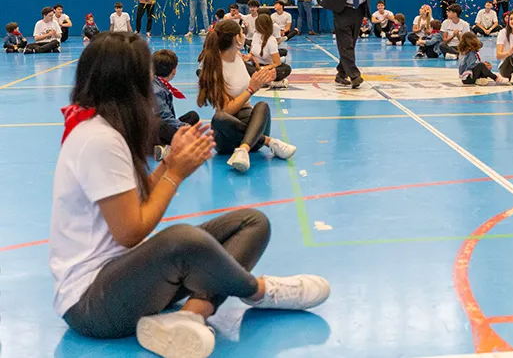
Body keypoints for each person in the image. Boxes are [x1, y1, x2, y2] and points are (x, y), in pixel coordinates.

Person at [49, 32, 330, 358]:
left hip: (128, 280)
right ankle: (260, 291)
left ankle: (190, 316)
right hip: (93, 304)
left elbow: (135, 200)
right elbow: (130, 232)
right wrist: (176, 175)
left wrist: (169, 163)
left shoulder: (107, 130)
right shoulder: (99, 139)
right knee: (183, 239)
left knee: (252, 222)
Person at [197, 20, 296, 173]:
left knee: (262, 106)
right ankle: (268, 142)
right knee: (220, 118)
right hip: (227, 138)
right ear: (237, 38)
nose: (244, 35)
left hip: (250, 129)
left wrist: (264, 77)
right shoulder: (216, 68)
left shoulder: (237, 56)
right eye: (242, 33)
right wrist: (251, 89)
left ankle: (243, 150)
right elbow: (226, 110)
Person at [152, 49, 200, 160]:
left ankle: (170, 146)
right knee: (161, 124)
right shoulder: (156, 90)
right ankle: (177, 143)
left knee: (193, 116)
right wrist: (184, 127)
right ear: (174, 71)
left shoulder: (159, 85)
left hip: (160, 127)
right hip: (154, 132)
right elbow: (165, 116)